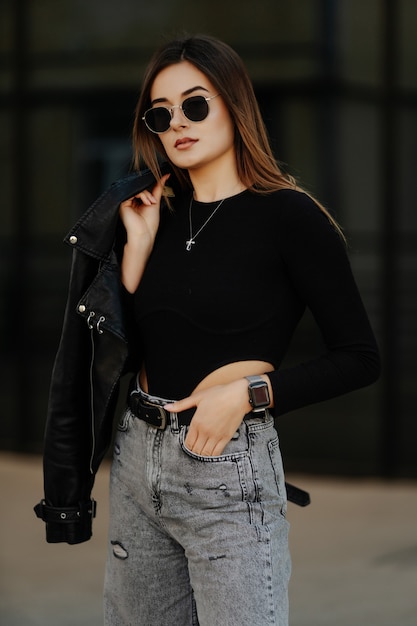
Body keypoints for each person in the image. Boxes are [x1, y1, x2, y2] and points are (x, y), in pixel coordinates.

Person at [35, 34, 380, 626]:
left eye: (196, 104)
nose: (178, 124)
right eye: (161, 113)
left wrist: (247, 397)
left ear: (234, 104)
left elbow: (359, 356)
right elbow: (130, 351)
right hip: (139, 460)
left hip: (228, 467)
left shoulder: (291, 217)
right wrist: (136, 257)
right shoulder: (152, 215)